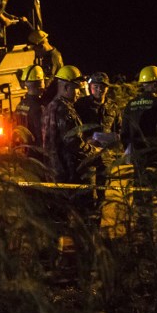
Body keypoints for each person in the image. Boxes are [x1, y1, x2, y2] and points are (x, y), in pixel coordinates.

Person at [42, 65, 102, 223]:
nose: (79, 93)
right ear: (66, 86)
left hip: (54, 171)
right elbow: (73, 143)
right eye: (76, 88)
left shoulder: (50, 107)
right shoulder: (65, 110)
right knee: (86, 216)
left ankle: (59, 247)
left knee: (59, 219)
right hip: (70, 173)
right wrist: (94, 150)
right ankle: (87, 247)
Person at [120, 65, 157, 241]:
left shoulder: (130, 105)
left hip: (139, 158)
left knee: (142, 198)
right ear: (153, 83)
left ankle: (145, 237)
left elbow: (124, 135)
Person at [75, 71, 121, 207]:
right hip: (87, 156)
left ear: (107, 88)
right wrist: (86, 140)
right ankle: (87, 225)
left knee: (102, 196)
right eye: (96, 86)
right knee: (88, 195)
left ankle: (97, 225)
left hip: (105, 158)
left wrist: (114, 139)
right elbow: (74, 129)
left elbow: (119, 129)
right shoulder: (81, 105)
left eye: (102, 86)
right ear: (90, 87)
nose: (99, 89)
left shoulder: (113, 107)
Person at [13, 64, 46, 160]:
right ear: (40, 84)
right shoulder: (38, 108)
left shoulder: (20, 105)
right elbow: (43, 137)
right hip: (36, 156)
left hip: (23, 154)